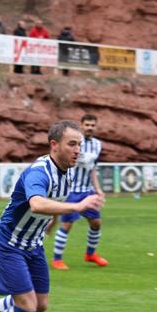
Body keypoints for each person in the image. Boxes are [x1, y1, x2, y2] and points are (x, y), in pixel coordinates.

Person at [0, 120, 105, 312]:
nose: (77, 150)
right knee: (27, 305)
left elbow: (49, 206)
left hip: (33, 244)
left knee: (40, 304)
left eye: (79, 145)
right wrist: (78, 205)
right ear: (54, 145)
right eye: (72, 144)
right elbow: (37, 203)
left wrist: (48, 227)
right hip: (8, 243)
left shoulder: (67, 173)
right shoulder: (39, 172)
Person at [51, 114, 109, 270]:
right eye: (87, 124)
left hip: (87, 191)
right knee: (67, 224)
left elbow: (93, 169)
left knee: (96, 223)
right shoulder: (74, 143)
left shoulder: (98, 144)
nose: (90, 127)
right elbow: (80, 160)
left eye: (92, 125)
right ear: (81, 125)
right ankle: (57, 259)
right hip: (72, 190)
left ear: (96, 127)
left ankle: (90, 254)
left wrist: (98, 190)